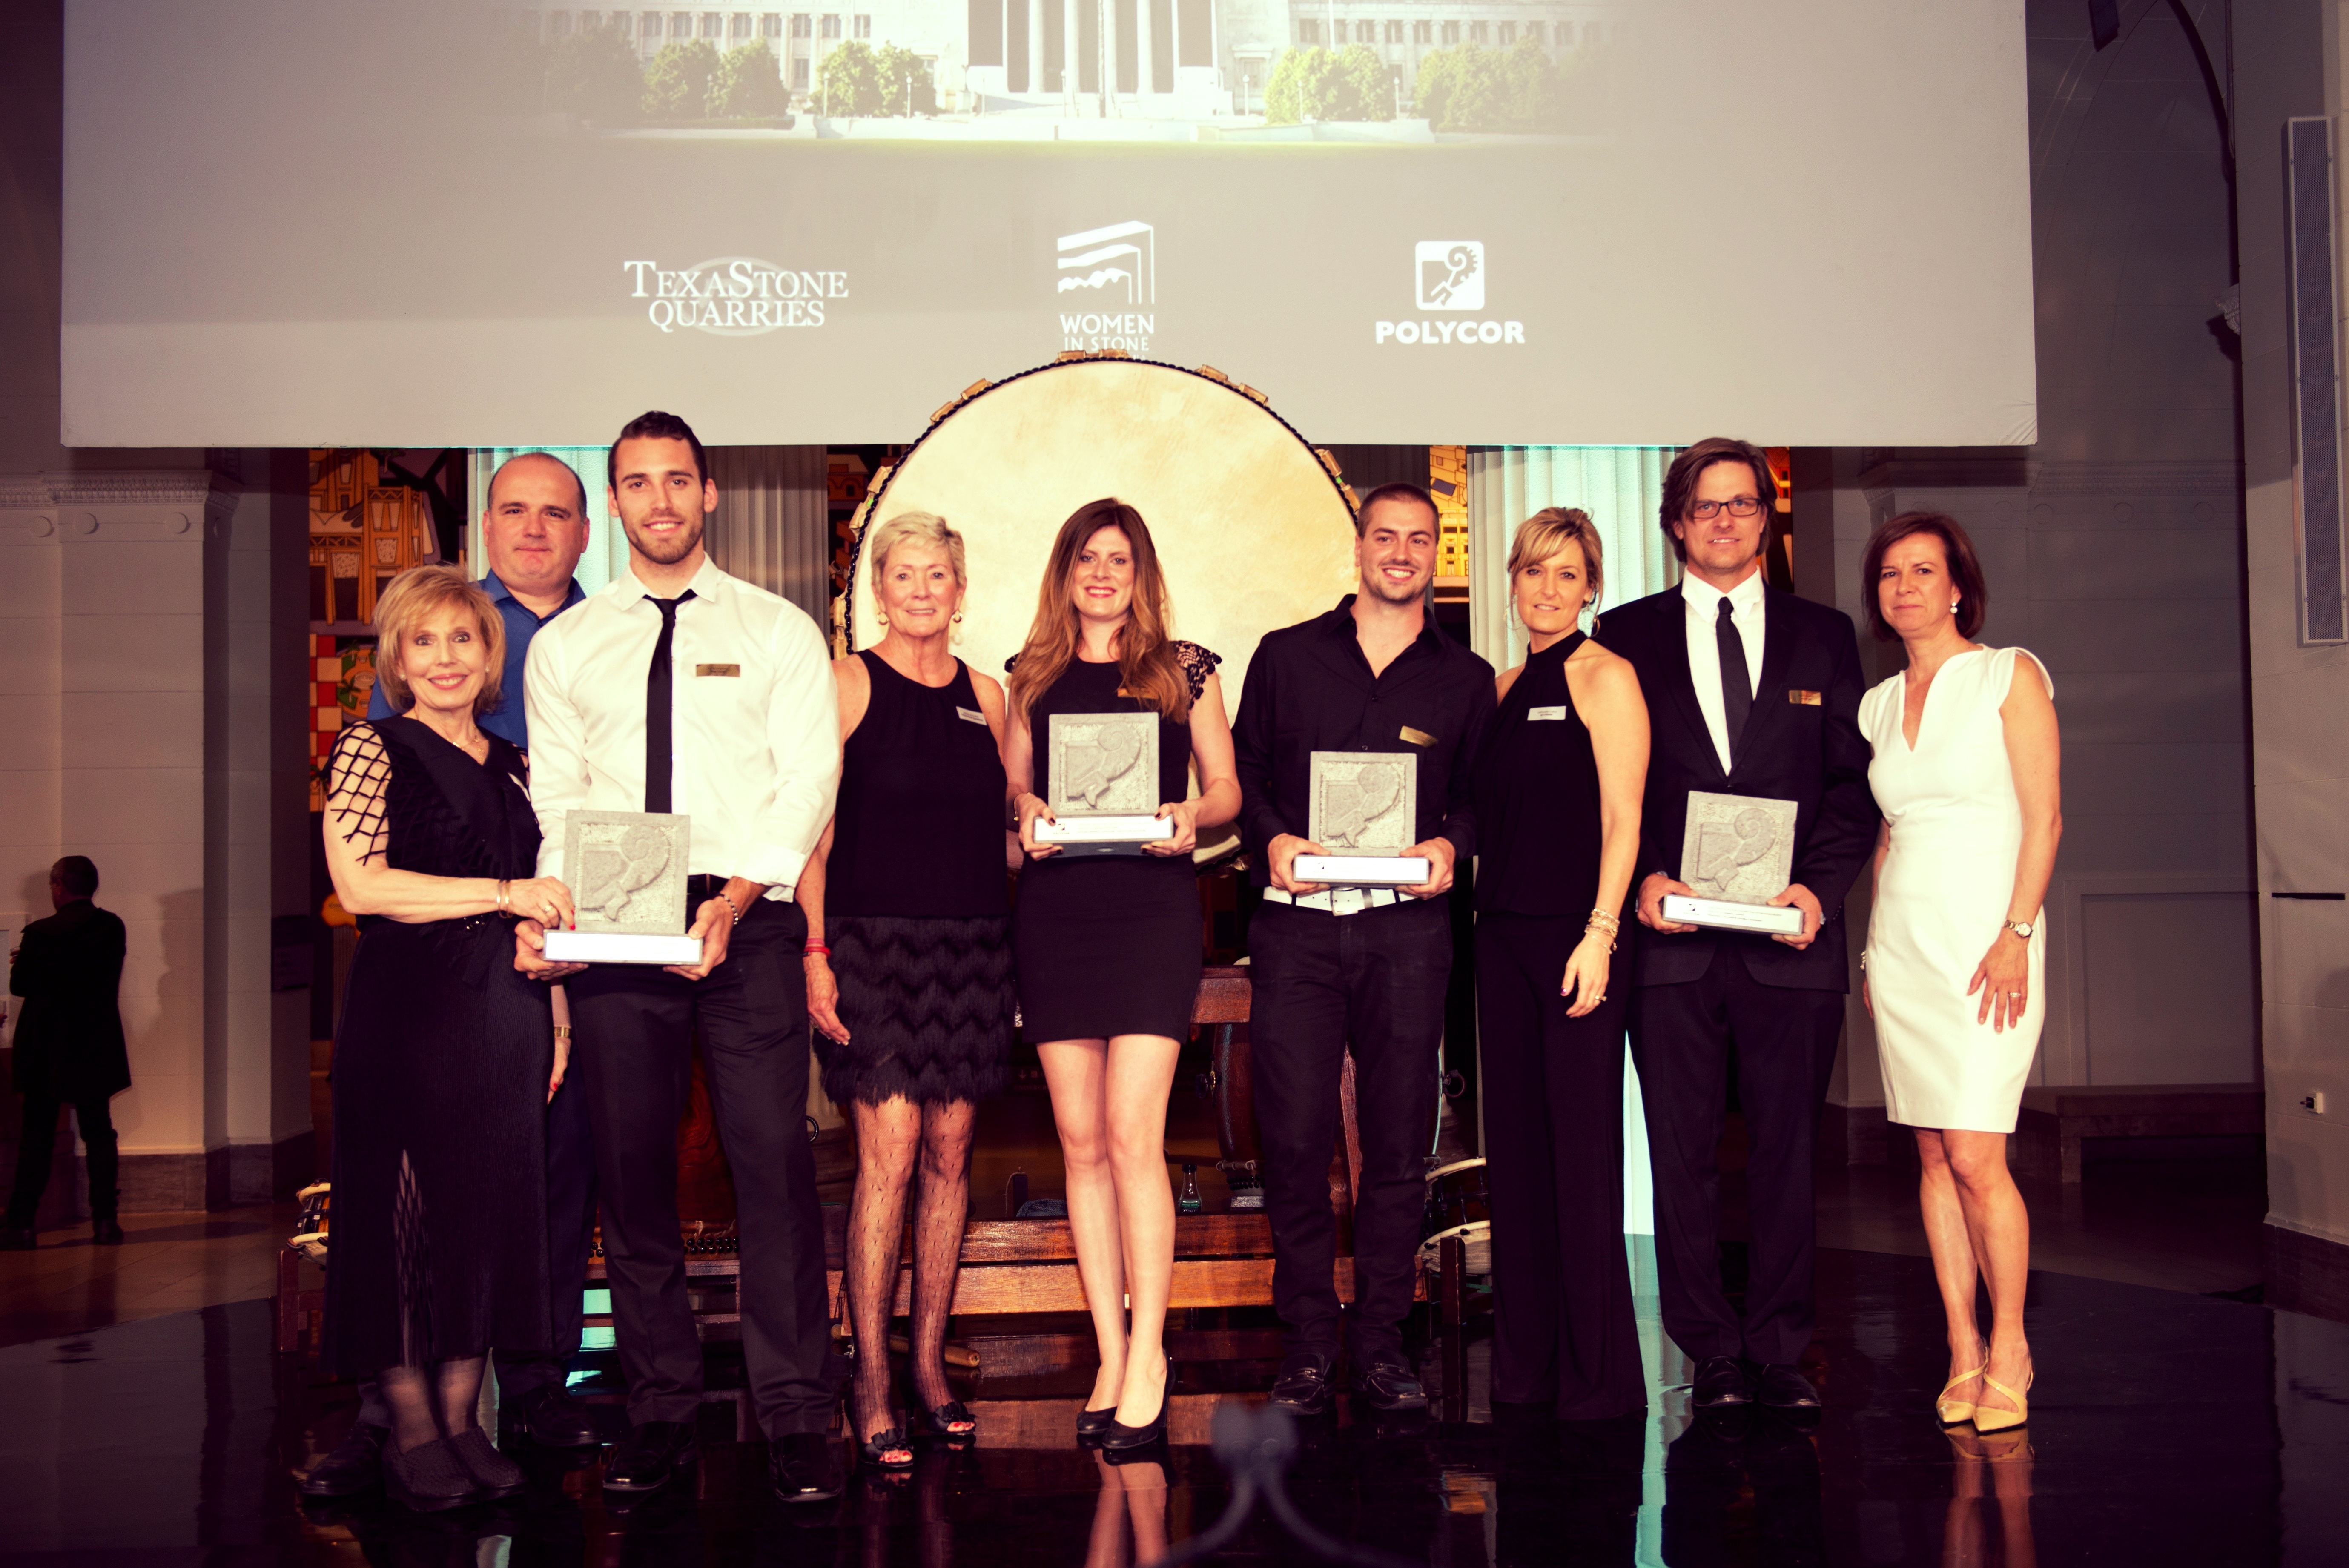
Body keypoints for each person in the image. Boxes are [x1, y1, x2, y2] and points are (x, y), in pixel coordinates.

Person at [516, 410, 847, 1505]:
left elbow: (806, 781)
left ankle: (797, 1413)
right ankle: (657, 1411)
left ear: (710, 495)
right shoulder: (568, 647)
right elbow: (558, 802)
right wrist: (568, 918)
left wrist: (746, 889)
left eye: (677, 481)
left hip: (742, 921)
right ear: (612, 504)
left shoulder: (779, 630)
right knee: (633, 1173)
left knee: (771, 1165)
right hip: (616, 922)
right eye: (636, 484)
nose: (659, 500)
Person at [305, 452, 602, 1500]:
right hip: (408, 1017)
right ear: (396, 656)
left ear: (489, 657)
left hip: (510, 1019)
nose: (443, 656)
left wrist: (559, 1015)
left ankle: (471, 1427)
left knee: (491, 1218)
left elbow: (550, 904)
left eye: (461, 638)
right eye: (422, 640)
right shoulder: (365, 751)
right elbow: (365, 888)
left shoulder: (518, 766)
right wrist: (506, 899)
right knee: (404, 1225)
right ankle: (417, 1432)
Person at [1595, 437, 1875, 1413]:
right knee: (1680, 1156)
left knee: (1790, 1152)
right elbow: (1600, 793)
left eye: (1742, 504)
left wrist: (1820, 893)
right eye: (1706, 506)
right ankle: (1710, 1348)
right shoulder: (1621, 636)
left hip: (1790, 944)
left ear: (1766, 517)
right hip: (1670, 945)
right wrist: (1635, 881)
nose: (1724, 520)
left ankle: (1782, 1347)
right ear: (1676, 523)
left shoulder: (1825, 635)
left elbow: (1852, 787)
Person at [1230, 482, 1496, 1416]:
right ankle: (1307, 1339)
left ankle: (1383, 1340)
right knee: (1295, 1139)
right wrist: (1269, 837)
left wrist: (1449, 846)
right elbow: (1246, 772)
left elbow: (1477, 799)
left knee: (1394, 1145)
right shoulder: (1284, 656)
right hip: (1296, 928)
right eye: (1384, 536)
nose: (1400, 551)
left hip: (1407, 931)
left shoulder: (1465, 678)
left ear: (1436, 554)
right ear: (1357, 548)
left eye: (1418, 539)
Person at [1004, 499, 1239, 1449]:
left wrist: (1194, 812)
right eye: (1086, 558)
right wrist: (1022, 807)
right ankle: (1109, 1348)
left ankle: (1150, 1349)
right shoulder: (1032, 676)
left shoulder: (1186, 669)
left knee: (1134, 1135)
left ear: (1141, 572)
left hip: (1150, 915)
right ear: (1064, 573)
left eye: (1120, 558)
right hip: (1057, 917)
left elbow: (1227, 788)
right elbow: (1010, 796)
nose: (1102, 573)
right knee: (1078, 1138)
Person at [797, 511, 1016, 1469]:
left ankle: (928, 1364)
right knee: (885, 1151)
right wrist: (812, 950)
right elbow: (813, 835)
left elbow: (1007, 833)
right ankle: (871, 1379)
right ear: (876, 589)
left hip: (971, 948)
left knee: (950, 1151)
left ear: (959, 590)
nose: (921, 589)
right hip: (868, 947)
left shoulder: (989, 694)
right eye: (903, 574)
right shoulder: (845, 682)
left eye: (938, 574)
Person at [1856, 512, 2059, 1435]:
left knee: (1978, 1151)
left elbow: (2044, 817)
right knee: (1932, 1152)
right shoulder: (1873, 703)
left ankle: (2010, 1342)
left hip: (1988, 940)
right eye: (1890, 572)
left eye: (1921, 570)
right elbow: (1889, 838)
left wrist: (2016, 930)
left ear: (1956, 587)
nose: (1903, 585)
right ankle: (1961, 1346)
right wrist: (1868, 949)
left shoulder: (2008, 674)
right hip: (1904, 944)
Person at [1471, 509, 1651, 1421]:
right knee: (1517, 1162)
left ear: (1591, 586)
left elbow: (1624, 820)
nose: (1547, 588)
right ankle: (1526, 1373)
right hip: (1497, 942)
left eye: (1567, 573)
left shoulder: (1605, 676)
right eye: (1533, 571)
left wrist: (1599, 930)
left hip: (1575, 943)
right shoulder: (1501, 687)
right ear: (1512, 580)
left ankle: (1594, 1381)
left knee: (1579, 1158)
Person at [2, 857, 129, 1250]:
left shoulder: (41, 933)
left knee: (36, 1137)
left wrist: (24, 962)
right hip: (94, 1044)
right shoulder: (111, 927)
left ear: (59, 886)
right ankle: (106, 1222)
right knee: (100, 1133)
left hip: (47, 1047)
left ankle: (22, 1224)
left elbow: (21, 986)